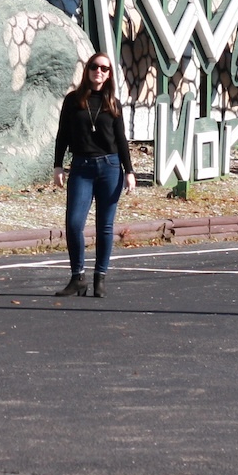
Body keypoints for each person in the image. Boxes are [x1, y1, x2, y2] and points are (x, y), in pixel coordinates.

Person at [52, 53, 136, 297]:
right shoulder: (73, 101)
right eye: (94, 67)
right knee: (74, 223)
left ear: (109, 75)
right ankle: (77, 277)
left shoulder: (113, 103)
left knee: (105, 227)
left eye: (104, 69)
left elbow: (121, 140)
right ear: (87, 70)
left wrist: (129, 171)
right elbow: (62, 134)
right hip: (82, 167)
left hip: (110, 168)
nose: (98, 71)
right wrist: (58, 165)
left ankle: (100, 277)